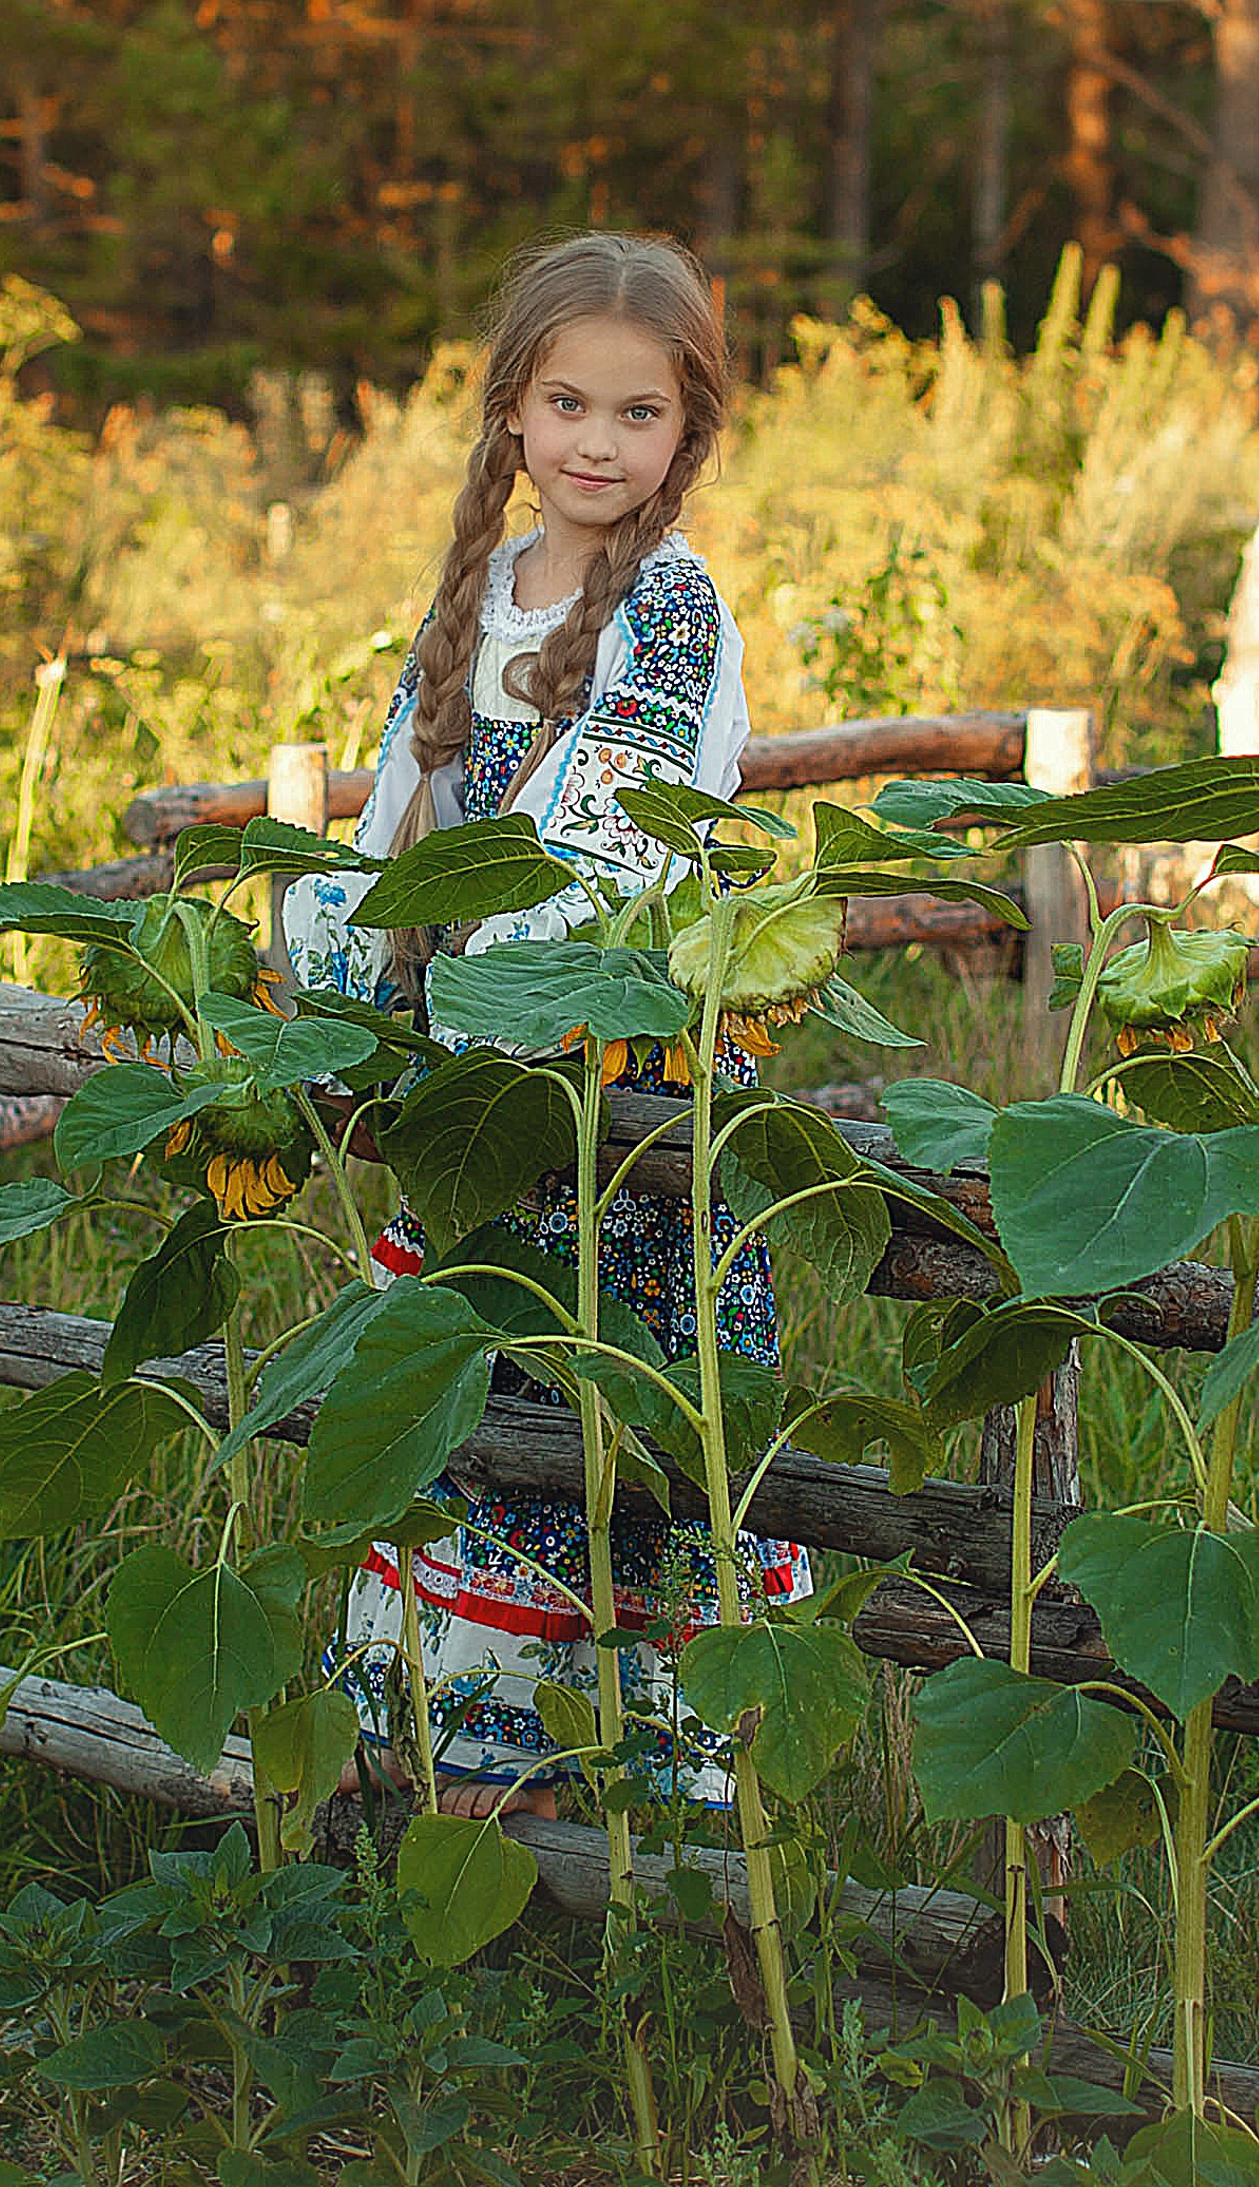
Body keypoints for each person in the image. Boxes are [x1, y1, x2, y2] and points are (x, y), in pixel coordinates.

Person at [283, 231, 810, 1819]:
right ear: (513, 406)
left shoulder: (673, 606)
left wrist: (493, 1010)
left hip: (612, 1065)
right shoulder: (482, 590)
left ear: (689, 429)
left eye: (640, 413)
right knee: (480, 1383)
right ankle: (461, 1758)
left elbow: (607, 842)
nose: (598, 442)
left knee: (615, 1392)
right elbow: (403, 807)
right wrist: (350, 987)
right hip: (479, 1066)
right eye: (569, 403)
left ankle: (626, 1791)